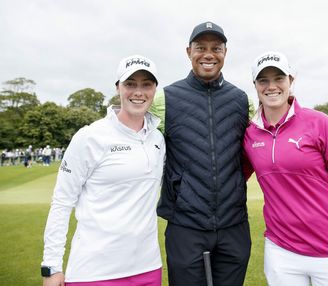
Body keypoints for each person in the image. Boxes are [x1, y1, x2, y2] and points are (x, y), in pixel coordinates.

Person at [41, 55, 165, 286]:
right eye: (130, 84)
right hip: (95, 272)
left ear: (155, 89)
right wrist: (52, 267)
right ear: (118, 88)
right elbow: (61, 202)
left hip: (148, 269)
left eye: (146, 84)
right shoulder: (90, 136)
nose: (138, 92)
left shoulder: (157, 138)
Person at [242, 51, 328, 286]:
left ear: (291, 81)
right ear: (255, 85)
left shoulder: (319, 123)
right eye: (263, 80)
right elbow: (234, 178)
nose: (271, 86)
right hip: (280, 251)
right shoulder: (249, 135)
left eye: (279, 78)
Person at [153, 21, 252, 286]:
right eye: (200, 47)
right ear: (188, 52)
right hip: (185, 225)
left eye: (216, 48)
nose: (208, 54)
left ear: (225, 53)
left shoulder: (241, 100)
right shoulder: (165, 98)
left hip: (234, 225)